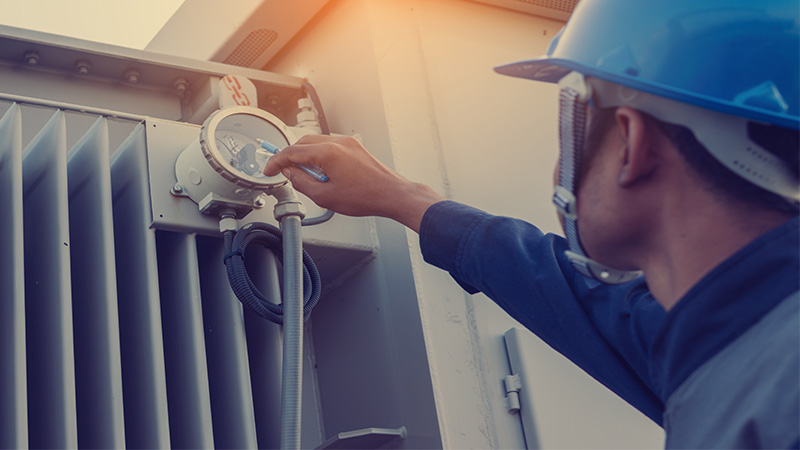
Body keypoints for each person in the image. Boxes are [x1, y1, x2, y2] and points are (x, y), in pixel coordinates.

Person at [265, 1, 799, 447]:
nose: (556, 168)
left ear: (631, 145)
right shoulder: (720, 336)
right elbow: (569, 293)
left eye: (573, 121)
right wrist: (408, 200)